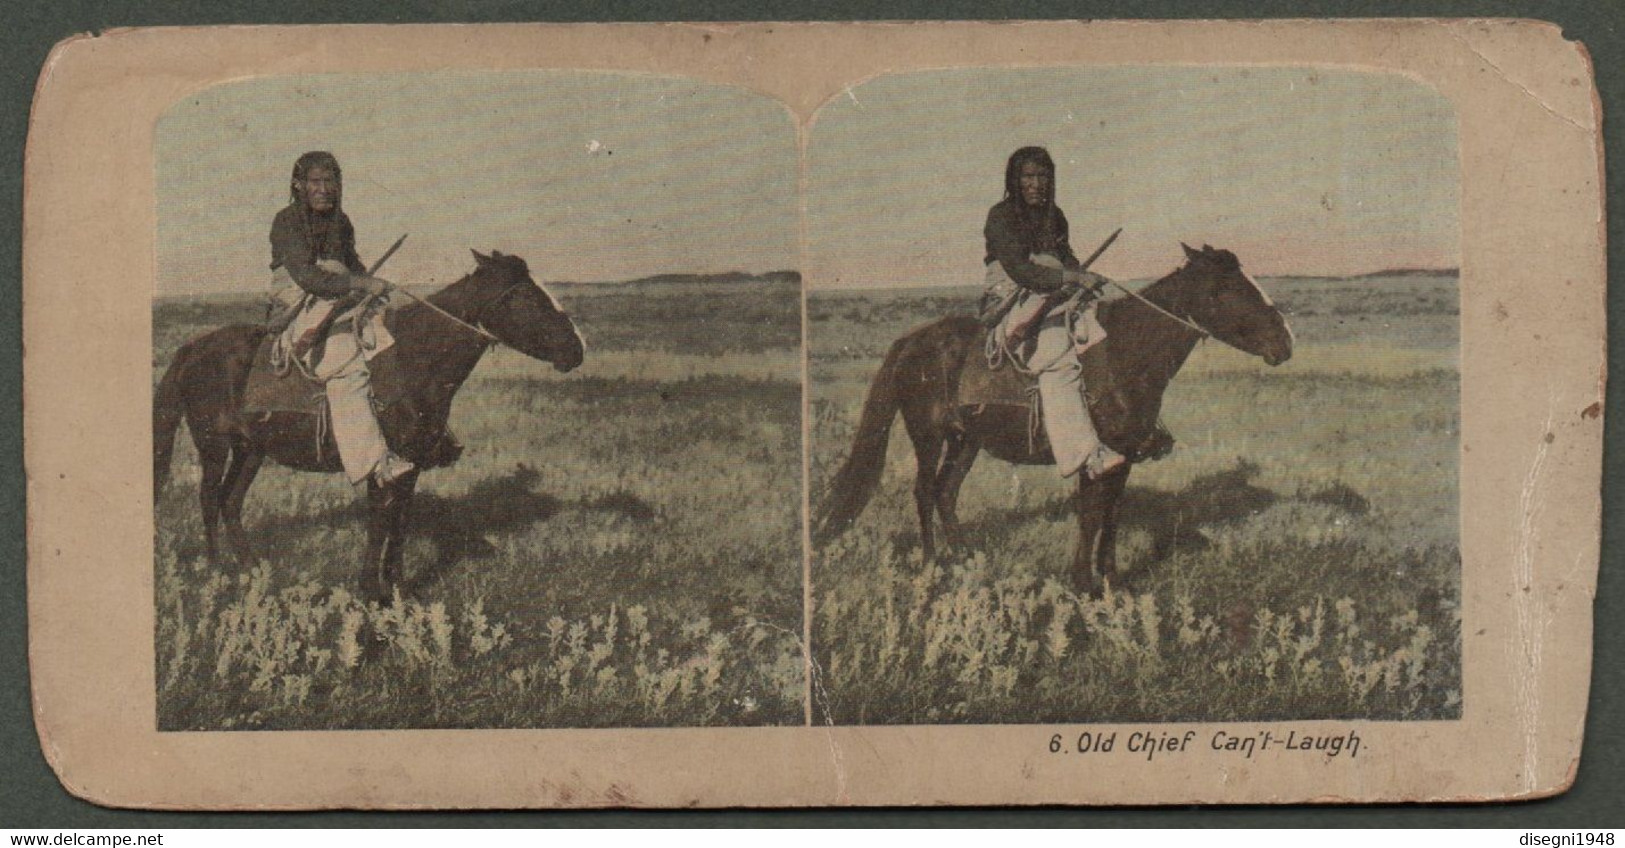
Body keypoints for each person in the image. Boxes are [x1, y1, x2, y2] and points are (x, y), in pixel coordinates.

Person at [268, 150, 414, 487]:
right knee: (345, 360)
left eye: (329, 181)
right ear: (298, 185)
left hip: (335, 295)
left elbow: (352, 266)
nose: (323, 189)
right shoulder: (286, 221)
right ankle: (376, 463)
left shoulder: (340, 221)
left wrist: (371, 287)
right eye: (315, 182)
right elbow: (308, 277)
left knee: (387, 337)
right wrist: (359, 283)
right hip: (295, 300)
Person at [982, 146, 1124, 479]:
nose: (1036, 184)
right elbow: (1021, 270)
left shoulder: (1054, 216)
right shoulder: (1000, 216)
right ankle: (1087, 454)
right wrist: (1070, 276)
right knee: (1057, 351)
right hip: (1010, 293)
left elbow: (1067, 258)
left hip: (1053, 289)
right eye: (1028, 176)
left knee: (1100, 331)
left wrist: (1084, 279)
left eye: (1042, 176)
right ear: (1014, 180)